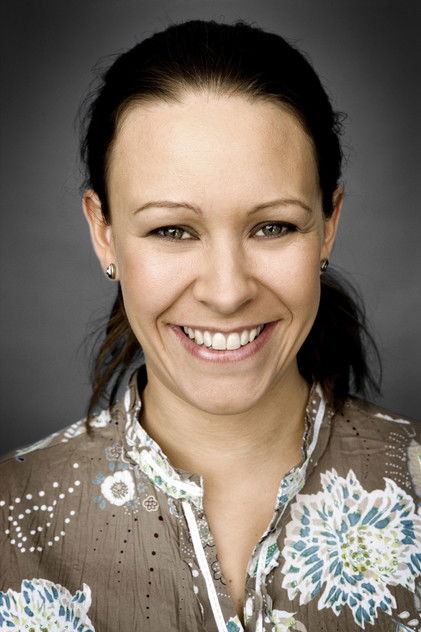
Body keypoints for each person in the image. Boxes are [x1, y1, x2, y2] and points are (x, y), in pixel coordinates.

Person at [0, 18, 419, 632]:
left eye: (273, 227)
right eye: (172, 230)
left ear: (328, 224)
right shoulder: (10, 514)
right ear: (103, 232)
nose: (227, 293)